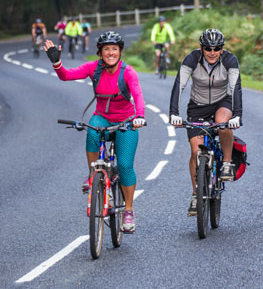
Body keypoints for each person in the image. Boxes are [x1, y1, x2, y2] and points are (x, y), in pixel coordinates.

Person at [43, 31, 146, 233]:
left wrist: (139, 116)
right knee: (91, 132)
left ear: (120, 52)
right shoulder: (93, 68)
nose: (110, 53)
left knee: (125, 165)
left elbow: (138, 96)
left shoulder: (128, 72)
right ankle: (93, 175)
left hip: (126, 121)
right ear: (100, 52)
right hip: (102, 118)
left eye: (114, 49)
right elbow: (66, 76)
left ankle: (129, 211)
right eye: (106, 49)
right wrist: (57, 62)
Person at [169, 29, 242, 216]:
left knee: (223, 123)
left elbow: (235, 88)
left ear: (221, 49)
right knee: (195, 151)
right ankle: (195, 194)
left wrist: (238, 115)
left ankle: (226, 162)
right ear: (201, 48)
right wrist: (173, 113)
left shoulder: (230, 60)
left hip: (222, 102)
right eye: (208, 48)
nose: (212, 52)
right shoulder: (191, 59)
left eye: (216, 48)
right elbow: (179, 85)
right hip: (197, 107)